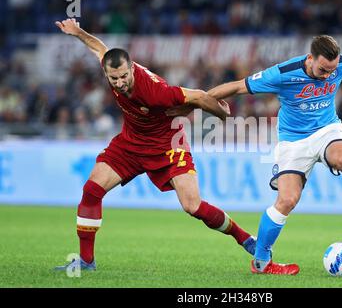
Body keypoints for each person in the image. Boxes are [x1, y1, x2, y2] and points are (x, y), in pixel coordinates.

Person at [167, 35, 342, 275]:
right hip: (293, 141)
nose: (328, 75)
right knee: (286, 201)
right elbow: (236, 86)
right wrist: (195, 103)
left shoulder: (338, 65)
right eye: (323, 69)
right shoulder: (282, 74)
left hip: (327, 130)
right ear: (310, 59)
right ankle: (262, 263)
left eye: (332, 69)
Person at [54, 18, 256, 271]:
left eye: (124, 76)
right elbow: (98, 47)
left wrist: (222, 114)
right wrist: (76, 32)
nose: (119, 82)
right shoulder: (112, 65)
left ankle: (246, 239)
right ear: (107, 72)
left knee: (192, 205)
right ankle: (86, 262)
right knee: (91, 190)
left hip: (168, 145)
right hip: (130, 143)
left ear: (131, 69)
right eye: (113, 78)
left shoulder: (154, 91)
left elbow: (201, 96)